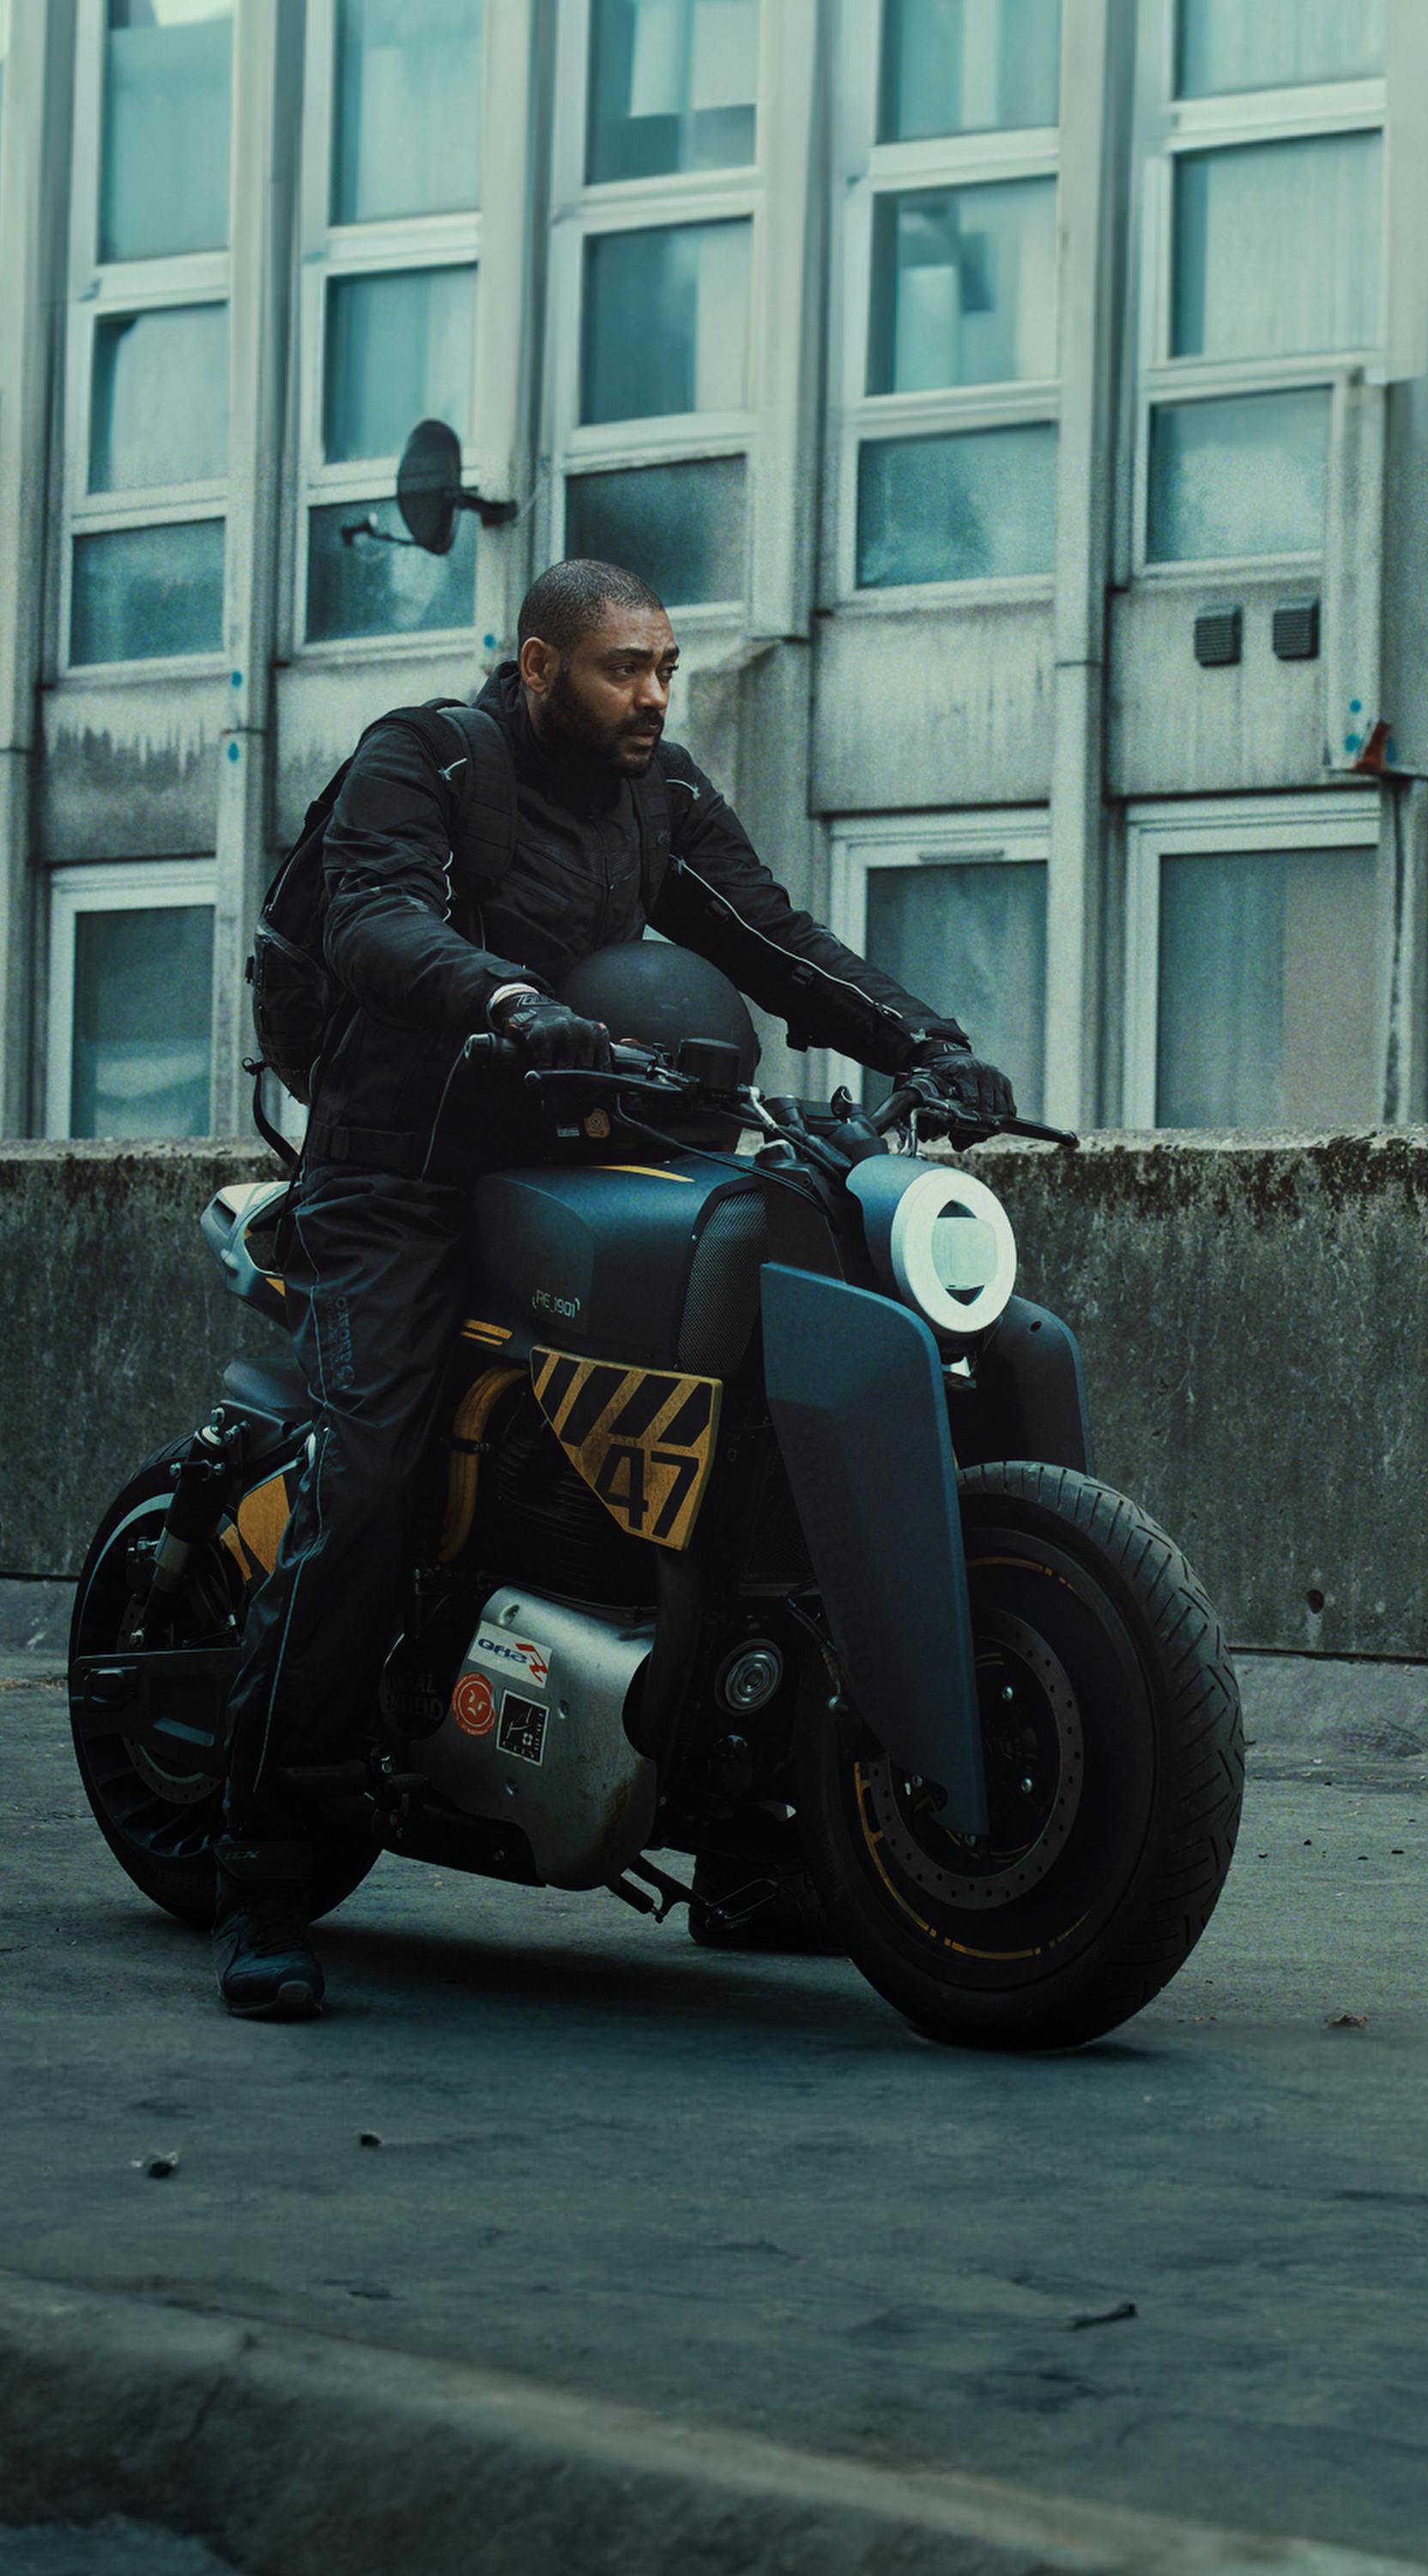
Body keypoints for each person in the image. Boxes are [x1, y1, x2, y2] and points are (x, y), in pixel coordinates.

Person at [212, 559, 1015, 2020]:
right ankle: (267, 1861)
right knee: (375, 1471)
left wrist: (929, 1038)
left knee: (753, 1436)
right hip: (403, 1170)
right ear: (538, 667)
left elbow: (776, 942)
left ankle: (760, 1845)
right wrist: (513, 1003)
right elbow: (373, 926)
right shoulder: (426, 762)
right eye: (623, 668)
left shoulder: (660, 792)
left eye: (665, 666)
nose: (654, 693)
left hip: (587, 1157)